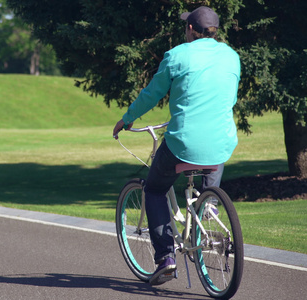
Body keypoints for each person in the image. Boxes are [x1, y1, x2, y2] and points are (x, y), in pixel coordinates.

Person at [112, 6, 240, 285]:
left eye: (186, 27)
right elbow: (228, 96)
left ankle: (165, 259)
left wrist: (127, 118)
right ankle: (209, 206)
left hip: (183, 142)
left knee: (155, 189)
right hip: (222, 140)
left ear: (191, 29)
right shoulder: (231, 56)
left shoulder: (177, 55)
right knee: (212, 165)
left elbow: (151, 94)